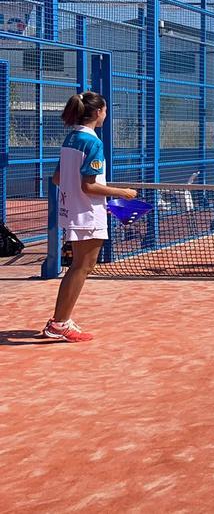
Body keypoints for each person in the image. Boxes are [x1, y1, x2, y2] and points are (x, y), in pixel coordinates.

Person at [43, 92, 137, 342]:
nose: (105, 114)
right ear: (97, 113)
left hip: (74, 210)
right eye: (105, 110)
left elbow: (57, 178)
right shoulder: (93, 143)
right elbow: (89, 186)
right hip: (86, 214)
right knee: (81, 268)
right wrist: (122, 193)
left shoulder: (71, 139)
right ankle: (59, 324)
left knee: (78, 267)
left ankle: (59, 321)